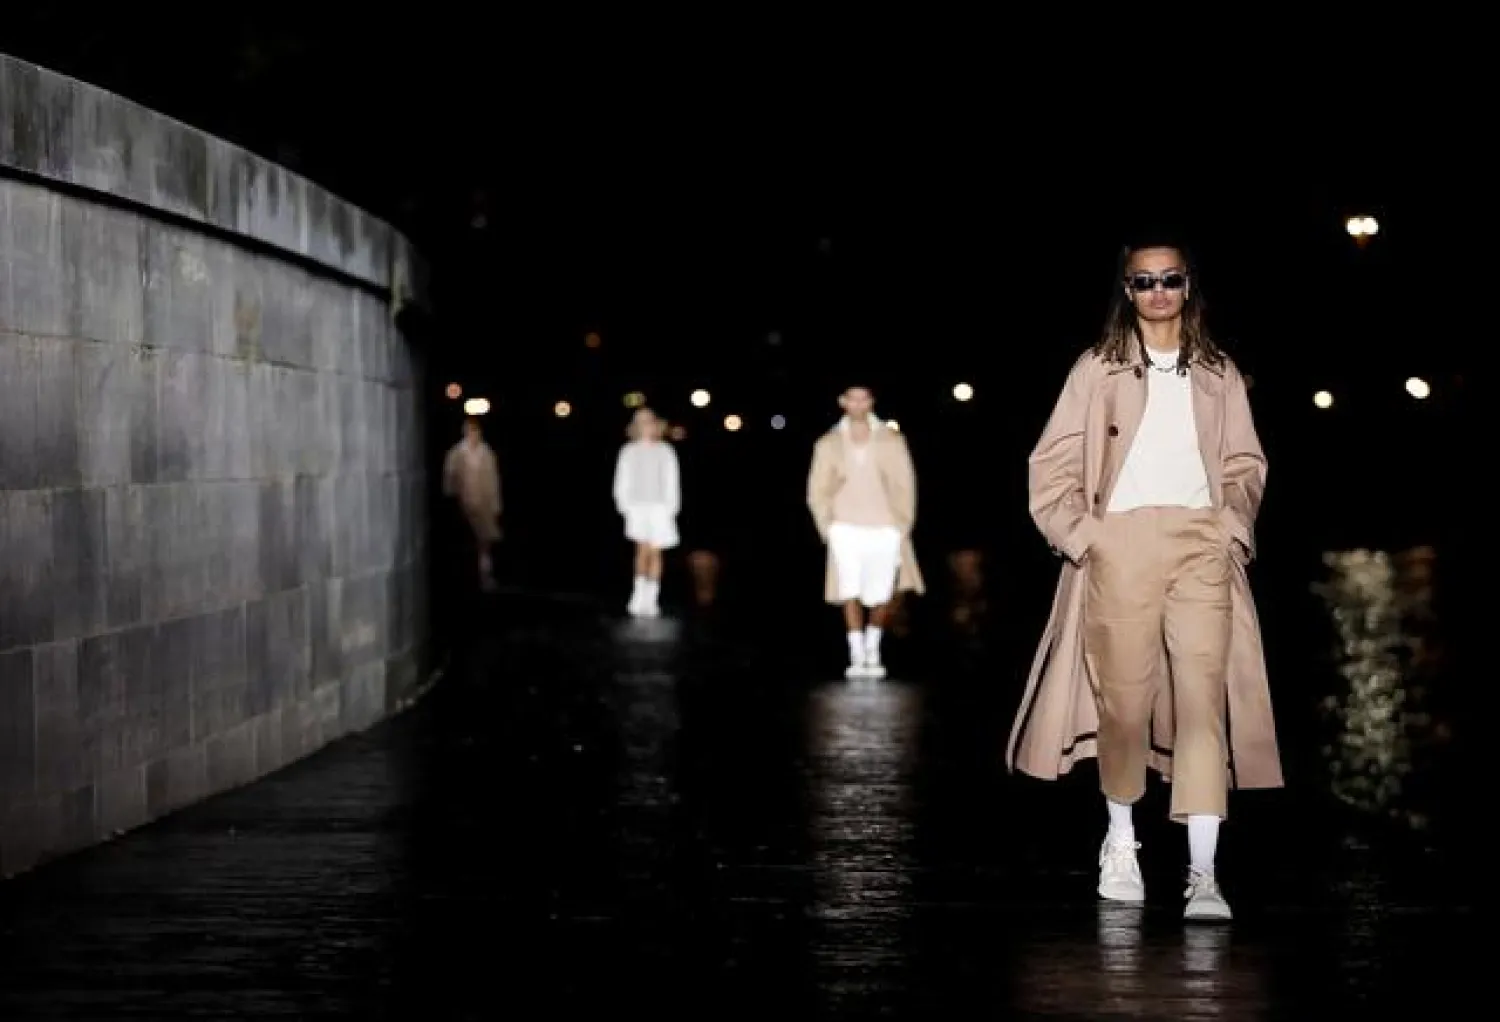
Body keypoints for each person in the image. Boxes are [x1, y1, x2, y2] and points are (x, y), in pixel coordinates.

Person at [1005, 237, 1283, 922]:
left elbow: (1246, 463)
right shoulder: (1096, 369)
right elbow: (1051, 466)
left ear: (1189, 287)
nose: (1157, 291)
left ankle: (1203, 872)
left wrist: (1231, 526)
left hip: (1199, 546)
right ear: (1125, 291)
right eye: (1143, 281)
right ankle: (1122, 843)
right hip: (1120, 545)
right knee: (1123, 704)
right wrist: (1085, 536)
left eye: (1170, 279)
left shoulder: (1218, 372)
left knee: (1202, 701)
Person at [806, 384, 925, 679]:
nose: (858, 404)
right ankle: (857, 653)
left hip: (884, 526)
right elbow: (816, 490)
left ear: (871, 402)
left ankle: (874, 647)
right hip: (844, 527)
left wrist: (901, 525)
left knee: (882, 591)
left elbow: (905, 484)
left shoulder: (891, 440)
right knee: (848, 589)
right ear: (843, 402)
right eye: (852, 398)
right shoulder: (828, 443)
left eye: (864, 398)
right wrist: (828, 527)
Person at [613, 407, 681, 617]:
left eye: (648, 421)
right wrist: (623, 504)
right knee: (641, 550)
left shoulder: (665, 450)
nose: (645, 425)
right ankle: (638, 595)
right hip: (637, 507)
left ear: (655, 424)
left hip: (660, 507)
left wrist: (672, 506)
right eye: (640, 421)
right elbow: (621, 479)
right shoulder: (628, 450)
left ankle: (652, 598)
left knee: (656, 551)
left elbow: (672, 480)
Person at [442, 416, 503, 592]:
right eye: (469, 431)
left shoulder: (486, 453)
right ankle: (467, 578)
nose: (473, 435)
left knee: (484, 544)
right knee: (466, 543)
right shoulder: (456, 453)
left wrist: (495, 506)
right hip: (464, 506)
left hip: (483, 504)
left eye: (475, 431)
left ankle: (485, 576)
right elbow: (449, 480)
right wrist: (452, 499)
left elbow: (493, 480)